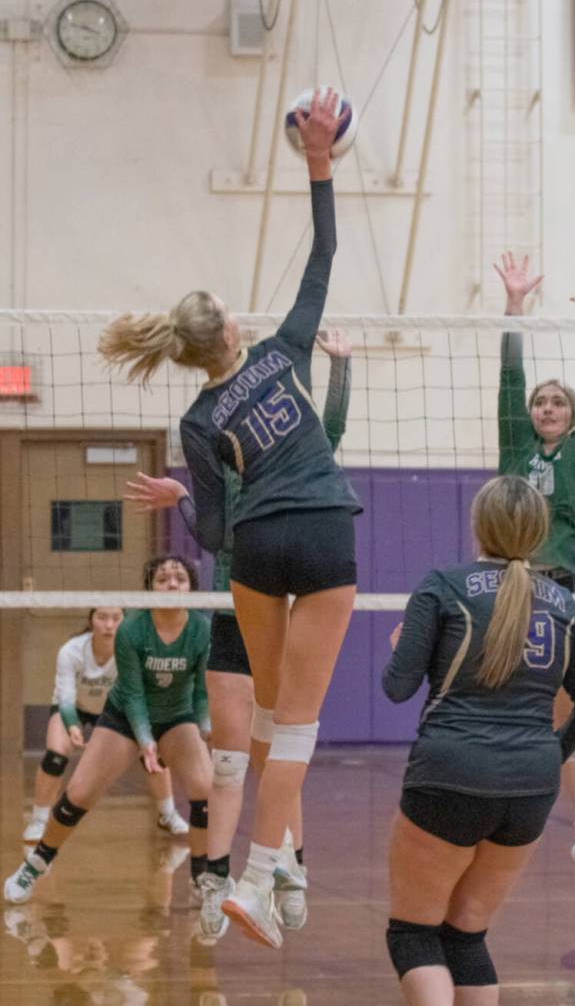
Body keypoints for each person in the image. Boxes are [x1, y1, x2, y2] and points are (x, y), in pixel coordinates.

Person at [97, 88, 360, 949]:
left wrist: (188, 494)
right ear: (233, 328)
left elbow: (210, 538)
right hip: (320, 528)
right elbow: (324, 251)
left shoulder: (198, 423)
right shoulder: (284, 353)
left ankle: (275, 865)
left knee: (278, 720)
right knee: (299, 727)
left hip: (255, 550)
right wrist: (319, 163)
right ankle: (260, 869)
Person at [126, 328, 354, 944]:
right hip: (236, 610)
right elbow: (213, 533)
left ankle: (290, 870)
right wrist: (181, 500)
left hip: (283, 597)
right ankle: (216, 881)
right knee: (231, 763)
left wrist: (342, 366)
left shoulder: (284, 462)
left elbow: (325, 431)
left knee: (277, 745)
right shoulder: (217, 466)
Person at [384, 475, 575, 1005]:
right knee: (465, 934)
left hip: (450, 773)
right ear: (539, 530)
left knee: (414, 932)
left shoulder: (443, 584)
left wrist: (399, 647)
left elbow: (397, 688)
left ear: (477, 525)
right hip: (530, 786)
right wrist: (549, 753)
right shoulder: (563, 604)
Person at [494, 250, 575, 902]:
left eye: (556, 401)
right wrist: (515, 306)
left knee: (570, 710)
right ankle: (488, 815)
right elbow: (507, 369)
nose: (546, 406)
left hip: (558, 587)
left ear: (571, 416)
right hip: (507, 587)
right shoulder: (514, 445)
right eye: (539, 401)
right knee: (497, 698)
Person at [4, 556, 212, 905]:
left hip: (178, 717)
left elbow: (202, 692)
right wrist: (146, 742)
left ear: (191, 587)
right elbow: (131, 693)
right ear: (149, 590)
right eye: (162, 579)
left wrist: (206, 729)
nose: (172, 584)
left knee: (207, 792)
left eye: (180, 578)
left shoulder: (201, 629)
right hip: (124, 718)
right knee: (79, 794)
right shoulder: (132, 629)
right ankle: (36, 863)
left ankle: (201, 876)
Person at [21, 607, 191, 843]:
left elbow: (138, 695)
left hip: (116, 709)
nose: (109, 625)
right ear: (91, 620)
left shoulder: (133, 649)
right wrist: (72, 727)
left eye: (116, 618)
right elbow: (65, 698)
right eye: (102, 618)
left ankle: (167, 814)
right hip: (75, 708)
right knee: (56, 757)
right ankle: (39, 819)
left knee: (153, 755)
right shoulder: (71, 651)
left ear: (125, 621)